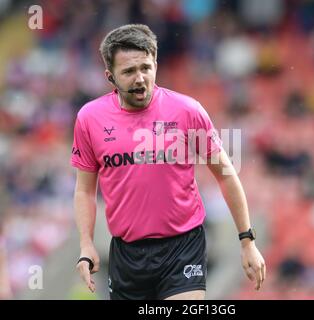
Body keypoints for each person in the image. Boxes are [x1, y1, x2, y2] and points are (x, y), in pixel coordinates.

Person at [71, 24, 266, 300]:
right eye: (128, 72)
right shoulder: (89, 119)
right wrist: (86, 243)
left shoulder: (187, 111)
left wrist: (247, 240)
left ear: (156, 65)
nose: (140, 78)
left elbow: (226, 174)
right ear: (110, 76)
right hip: (127, 254)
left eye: (146, 68)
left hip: (183, 247)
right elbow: (84, 190)